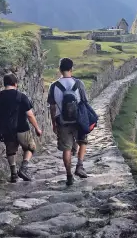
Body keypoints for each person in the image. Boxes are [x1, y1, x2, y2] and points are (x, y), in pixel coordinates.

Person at [0, 73, 42, 183]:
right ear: (15, 84)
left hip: (7, 129)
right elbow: (30, 115)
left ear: (4, 84)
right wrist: (37, 128)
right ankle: (23, 167)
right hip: (22, 128)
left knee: (11, 151)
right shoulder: (21, 96)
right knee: (30, 147)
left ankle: (13, 174)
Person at [48, 57, 89, 186]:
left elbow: (52, 106)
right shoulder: (78, 83)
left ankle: (69, 176)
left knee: (66, 149)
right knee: (83, 141)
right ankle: (80, 165)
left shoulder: (54, 86)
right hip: (78, 120)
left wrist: (54, 123)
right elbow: (84, 101)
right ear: (72, 69)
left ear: (60, 69)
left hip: (62, 121)